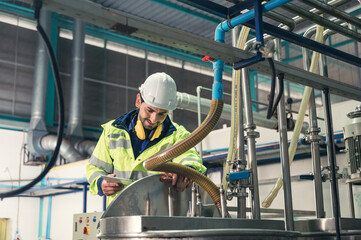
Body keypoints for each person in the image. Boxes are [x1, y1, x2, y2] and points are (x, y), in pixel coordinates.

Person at [86, 72, 206, 205]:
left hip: (156, 216)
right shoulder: (112, 132)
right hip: (118, 214)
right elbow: (94, 167)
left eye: (162, 114)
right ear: (138, 101)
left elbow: (190, 158)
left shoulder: (177, 136)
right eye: (150, 110)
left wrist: (187, 170)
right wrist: (100, 183)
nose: (154, 119)